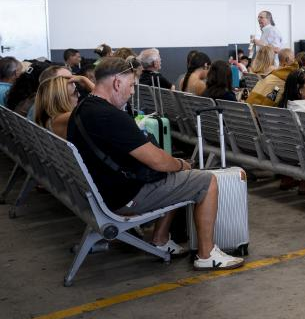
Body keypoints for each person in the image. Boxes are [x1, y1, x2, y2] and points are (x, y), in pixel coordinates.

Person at [66, 57, 244, 270]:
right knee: (206, 181)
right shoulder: (110, 116)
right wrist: (182, 164)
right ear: (117, 83)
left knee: (173, 176)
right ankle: (207, 254)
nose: (132, 92)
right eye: (131, 85)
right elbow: (158, 161)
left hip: (96, 193)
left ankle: (160, 239)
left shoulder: (82, 109)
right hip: (122, 198)